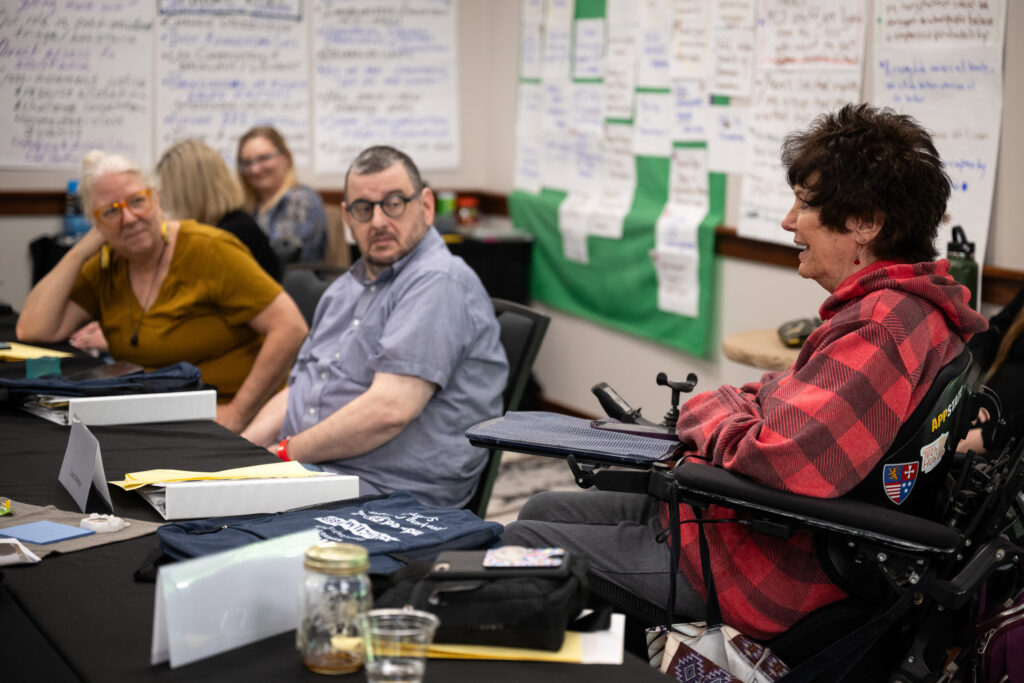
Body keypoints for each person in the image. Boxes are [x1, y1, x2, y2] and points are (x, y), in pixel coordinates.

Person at [502, 103, 988, 641]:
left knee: (518, 544)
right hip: (759, 532)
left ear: (866, 223)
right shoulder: (906, 306)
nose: (788, 221)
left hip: (771, 570)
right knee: (542, 504)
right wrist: (739, 409)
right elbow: (780, 393)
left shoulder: (881, 326)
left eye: (804, 204)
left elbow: (789, 458)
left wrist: (705, 410)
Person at [241, 145, 508, 508]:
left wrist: (283, 454)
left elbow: (389, 411)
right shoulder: (344, 289)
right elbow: (302, 387)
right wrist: (241, 453)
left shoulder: (438, 282)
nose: (379, 221)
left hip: (390, 493)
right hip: (318, 470)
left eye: (394, 202)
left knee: (205, 531)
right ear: (349, 219)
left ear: (426, 206)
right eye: (364, 209)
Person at [16, 150, 309, 433]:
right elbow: (34, 329)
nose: (128, 218)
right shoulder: (106, 267)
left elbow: (291, 328)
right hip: (160, 417)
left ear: (156, 199)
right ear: (97, 225)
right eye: (111, 211)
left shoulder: (209, 249)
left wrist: (237, 413)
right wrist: (81, 251)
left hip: (234, 418)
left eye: (137, 201)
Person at [157, 138, 282, 281]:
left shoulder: (232, 234)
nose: (165, 195)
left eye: (168, 187)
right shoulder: (223, 225)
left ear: (188, 192)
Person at [237, 126, 328, 263]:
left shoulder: (300, 200)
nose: (254, 169)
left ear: (285, 158)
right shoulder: (248, 208)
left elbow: (282, 261)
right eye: (247, 163)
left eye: (263, 158)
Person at [958, 284, 1024, 453]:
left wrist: (988, 436)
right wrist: (969, 388)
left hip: (1006, 443)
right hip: (988, 412)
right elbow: (996, 328)